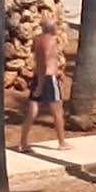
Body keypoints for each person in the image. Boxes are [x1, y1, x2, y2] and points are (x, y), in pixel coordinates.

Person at [19, 16, 72, 152]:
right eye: (55, 26)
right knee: (57, 110)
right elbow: (43, 62)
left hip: (38, 77)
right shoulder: (51, 41)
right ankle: (62, 142)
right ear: (52, 28)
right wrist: (41, 85)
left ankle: (23, 143)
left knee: (32, 110)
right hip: (48, 79)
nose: (57, 28)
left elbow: (38, 58)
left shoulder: (38, 40)